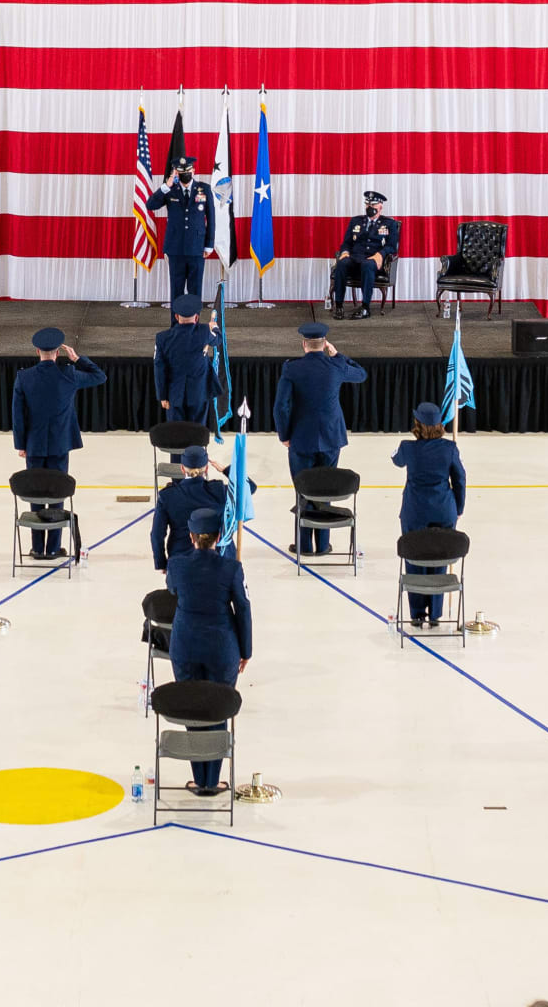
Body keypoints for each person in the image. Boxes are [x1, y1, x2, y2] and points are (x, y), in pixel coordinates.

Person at [165, 507, 253, 797]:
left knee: (192, 709)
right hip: (222, 646)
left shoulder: (177, 564)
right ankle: (212, 779)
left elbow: (173, 590)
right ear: (219, 537)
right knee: (217, 710)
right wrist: (246, 649)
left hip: (186, 645)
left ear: (191, 536)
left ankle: (199, 777)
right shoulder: (231, 568)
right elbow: (242, 608)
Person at [273, 321, 367, 556]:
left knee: (303, 490)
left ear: (304, 344)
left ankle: (304, 546)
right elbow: (361, 375)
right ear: (325, 344)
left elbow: (281, 407)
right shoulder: (335, 366)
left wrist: (284, 434)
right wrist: (338, 355)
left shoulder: (291, 369)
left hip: (301, 437)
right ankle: (323, 545)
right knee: (325, 490)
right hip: (331, 437)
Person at [12, 328, 105, 560]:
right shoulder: (69, 374)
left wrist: (20, 444)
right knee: (56, 494)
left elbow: (18, 415)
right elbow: (99, 376)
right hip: (60, 444)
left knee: (35, 495)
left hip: (33, 444)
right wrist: (77, 359)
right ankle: (53, 548)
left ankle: (37, 547)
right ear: (57, 353)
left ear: (37, 351)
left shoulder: (24, 377)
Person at [393, 402, 467, 625]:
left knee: (414, 557)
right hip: (444, 509)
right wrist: (459, 507)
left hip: (415, 510)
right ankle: (435, 613)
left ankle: (417, 613)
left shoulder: (407, 447)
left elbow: (396, 460)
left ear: (417, 423)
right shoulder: (450, 448)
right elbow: (460, 480)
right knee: (439, 559)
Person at [151, 445, 253, 570]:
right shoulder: (219, 490)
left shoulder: (168, 496)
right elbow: (250, 488)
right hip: (220, 558)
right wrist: (227, 470)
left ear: (182, 469)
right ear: (207, 469)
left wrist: (162, 564)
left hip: (182, 560)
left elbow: (157, 534)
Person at [144, 153, 215, 317]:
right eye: (182, 172)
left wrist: (209, 244)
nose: (186, 174)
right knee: (176, 291)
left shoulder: (204, 189)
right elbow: (150, 204)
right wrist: (166, 185)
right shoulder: (170, 190)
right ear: (176, 173)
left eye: (188, 171)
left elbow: (211, 218)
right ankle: (176, 329)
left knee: (195, 290)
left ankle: (194, 329)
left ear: (194, 171)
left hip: (197, 249)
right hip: (175, 249)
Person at [329, 189, 401, 320]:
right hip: (355, 257)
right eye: (368, 205)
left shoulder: (389, 224)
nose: (370, 207)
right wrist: (345, 252)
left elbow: (392, 246)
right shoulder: (356, 221)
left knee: (367, 265)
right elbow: (347, 242)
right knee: (342, 263)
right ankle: (338, 305)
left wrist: (381, 254)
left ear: (380, 206)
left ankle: (365, 307)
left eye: (373, 205)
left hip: (373, 258)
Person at [153, 293, 218, 424]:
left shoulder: (162, 338)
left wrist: (163, 396)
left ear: (176, 317)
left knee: (176, 435)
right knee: (198, 434)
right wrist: (214, 327)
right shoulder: (205, 332)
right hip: (199, 394)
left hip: (174, 395)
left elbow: (159, 369)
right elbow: (218, 340)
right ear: (197, 317)